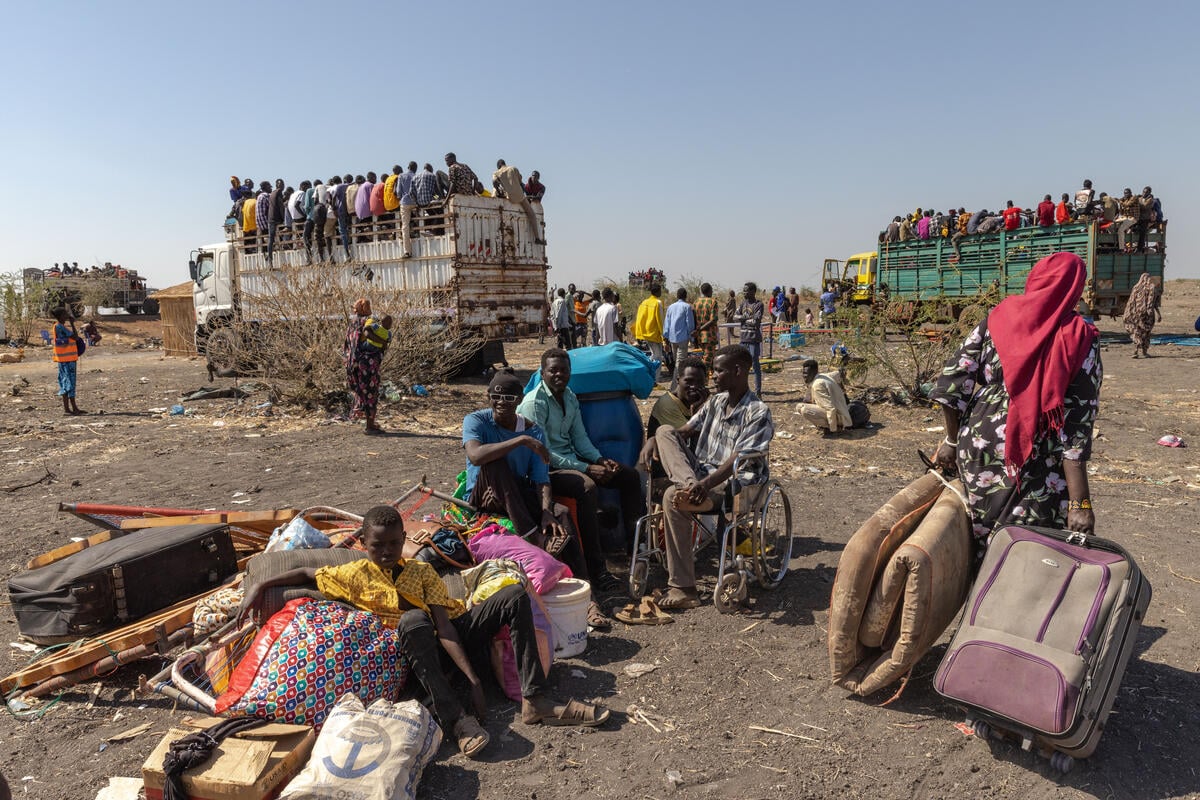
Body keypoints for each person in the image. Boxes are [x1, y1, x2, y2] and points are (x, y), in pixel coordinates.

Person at [240, 505, 609, 759]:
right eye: (377, 545)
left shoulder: (419, 571)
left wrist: (474, 678)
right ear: (364, 545)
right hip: (410, 652)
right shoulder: (352, 574)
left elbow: (446, 626)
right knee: (412, 621)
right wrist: (258, 587)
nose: (386, 551)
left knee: (512, 594)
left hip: (449, 637)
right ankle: (457, 720)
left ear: (404, 539)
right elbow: (305, 574)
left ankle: (537, 700)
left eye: (394, 543)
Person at [931, 252, 1101, 547]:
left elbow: (950, 385)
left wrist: (952, 441)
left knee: (976, 541)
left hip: (979, 448)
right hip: (1037, 460)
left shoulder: (996, 318)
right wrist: (1080, 504)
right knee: (1023, 551)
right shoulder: (1080, 337)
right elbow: (1077, 424)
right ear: (1074, 287)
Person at [640, 345, 773, 611]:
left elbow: (737, 459)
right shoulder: (715, 402)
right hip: (698, 480)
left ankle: (682, 587)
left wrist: (706, 484)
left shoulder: (757, 411)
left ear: (737, 371)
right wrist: (655, 440)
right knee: (665, 431)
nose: (713, 376)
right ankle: (685, 590)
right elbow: (685, 430)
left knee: (670, 496)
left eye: (719, 370)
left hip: (733, 485)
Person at [518, 349, 645, 585]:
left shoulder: (570, 397)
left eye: (564, 370)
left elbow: (581, 439)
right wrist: (586, 469)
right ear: (542, 372)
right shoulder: (534, 403)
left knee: (628, 476)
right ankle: (596, 568)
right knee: (586, 487)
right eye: (552, 370)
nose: (559, 375)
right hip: (544, 470)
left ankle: (636, 549)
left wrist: (598, 460)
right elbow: (545, 453)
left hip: (572, 460)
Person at [344, 298, 385, 434]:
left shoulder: (353, 322)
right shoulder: (368, 320)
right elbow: (368, 333)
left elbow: (348, 343)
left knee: (362, 391)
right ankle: (370, 425)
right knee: (370, 392)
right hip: (367, 364)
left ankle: (369, 423)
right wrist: (383, 342)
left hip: (354, 362)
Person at [493, 159, 546, 245]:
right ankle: (537, 238)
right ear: (504, 164)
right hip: (520, 197)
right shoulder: (513, 168)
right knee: (531, 214)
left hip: (508, 197)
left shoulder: (496, 173)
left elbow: (494, 183)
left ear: (499, 166)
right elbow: (520, 182)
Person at [797, 359, 852, 434]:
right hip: (842, 412)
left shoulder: (817, 385)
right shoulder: (823, 376)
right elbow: (838, 373)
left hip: (841, 418)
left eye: (807, 373)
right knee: (799, 407)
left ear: (814, 372)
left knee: (805, 410)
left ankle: (832, 427)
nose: (804, 376)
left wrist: (833, 429)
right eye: (803, 373)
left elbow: (831, 409)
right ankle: (827, 426)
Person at [51, 307, 83, 415]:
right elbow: (75, 337)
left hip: (65, 359)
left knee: (66, 382)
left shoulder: (58, 327)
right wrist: (72, 324)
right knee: (69, 383)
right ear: (60, 316)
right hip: (67, 359)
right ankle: (70, 409)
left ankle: (72, 408)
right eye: (65, 314)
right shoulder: (60, 327)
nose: (67, 316)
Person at [734, 282, 765, 394]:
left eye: (746, 290)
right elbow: (734, 317)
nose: (744, 292)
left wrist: (743, 319)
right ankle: (743, 390)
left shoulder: (759, 305)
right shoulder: (742, 304)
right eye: (744, 290)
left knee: (755, 365)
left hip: (753, 339)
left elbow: (756, 322)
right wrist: (745, 318)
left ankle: (758, 391)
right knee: (741, 366)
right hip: (743, 339)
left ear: (753, 292)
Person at [663, 288, 695, 392]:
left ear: (677, 296)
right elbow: (690, 324)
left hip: (673, 338)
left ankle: (678, 385)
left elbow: (667, 324)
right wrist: (692, 337)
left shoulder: (671, 307)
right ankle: (674, 387)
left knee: (678, 361)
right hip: (682, 338)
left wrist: (666, 338)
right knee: (680, 363)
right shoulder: (687, 307)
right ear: (685, 296)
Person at [1123, 273, 1162, 359]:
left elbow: (1131, 302)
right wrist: (1158, 314)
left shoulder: (1136, 288)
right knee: (1146, 333)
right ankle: (1144, 352)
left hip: (1135, 315)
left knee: (1136, 332)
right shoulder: (1152, 288)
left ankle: (1135, 351)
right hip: (1147, 316)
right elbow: (1153, 303)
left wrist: (1128, 314)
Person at [633, 283, 666, 366]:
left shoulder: (644, 302)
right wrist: (664, 335)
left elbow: (639, 318)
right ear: (658, 292)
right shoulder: (658, 303)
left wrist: (638, 333)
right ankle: (653, 376)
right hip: (654, 334)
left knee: (655, 354)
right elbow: (661, 320)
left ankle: (651, 374)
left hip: (645, 333)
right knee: (657, 357)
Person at [692, 283, 720, 368]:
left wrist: (697, 332)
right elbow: (713, 320)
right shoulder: (713, 302)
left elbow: (693, 319)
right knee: (707, 362)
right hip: (709, 336)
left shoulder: (696, 302)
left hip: (699, 337)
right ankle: (703, 380)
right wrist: (700, 329)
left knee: (708, 358)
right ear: (710, 291)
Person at [397, 161, 417, 258]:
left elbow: (398, 192)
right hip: (415, 202)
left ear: (408, 167)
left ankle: (407, 251)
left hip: (404, 202)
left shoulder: (401, 176)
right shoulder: (416, 176)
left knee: (405, 226)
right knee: (418, 220)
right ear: (415, 168)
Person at [1137, 186, 1156, 253]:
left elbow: (1145, 206)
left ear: (1149, 193)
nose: (1144, 193)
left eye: (1146, 192)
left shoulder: (1150, 200)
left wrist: (1138, 201)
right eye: (1143, 192)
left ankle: (1139, 249)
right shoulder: (1141, 198)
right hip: (1139, 218)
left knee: (1142, 234)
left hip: (1145, 219)